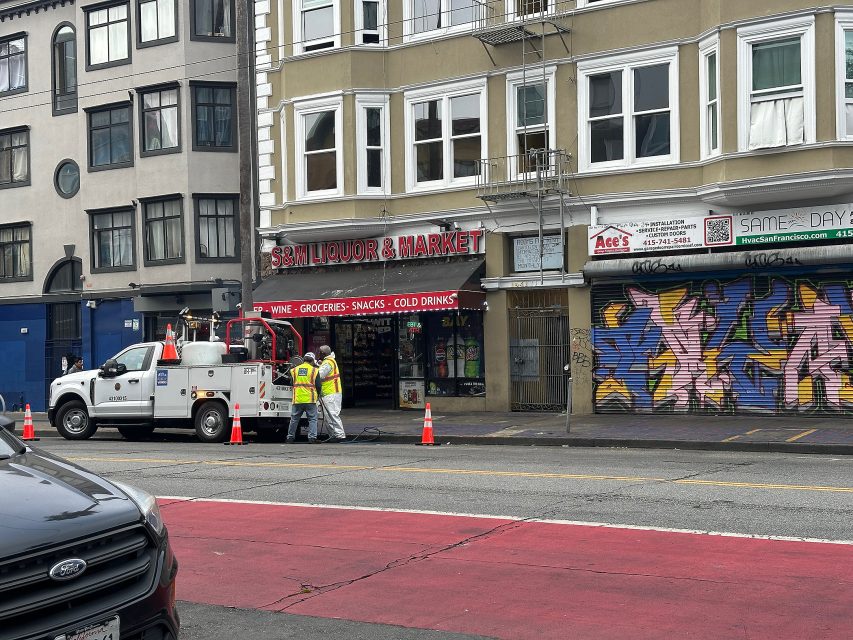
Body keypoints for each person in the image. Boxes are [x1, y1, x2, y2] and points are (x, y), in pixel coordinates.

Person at [287, 352, 320, 443]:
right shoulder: (314, 370)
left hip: (297, 399)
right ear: (312, 360)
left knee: (294, 419)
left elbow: (291, 383)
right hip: (310, 399)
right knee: (312, 419)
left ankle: (290, 437)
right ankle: (312, 438)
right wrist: (318, 395)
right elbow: (318, 385)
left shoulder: (294, 370)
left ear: (304, 360)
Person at [317, 345, 346, 443]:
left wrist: (313, 368)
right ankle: (333, 435)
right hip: (328, 392)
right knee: (328, 416)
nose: (318, 354)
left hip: (331, 393)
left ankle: (339, 435)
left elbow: (319, 375)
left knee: (332, 414)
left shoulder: (328, 363)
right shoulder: (328, 362)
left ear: (323, 353)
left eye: (319, 352)